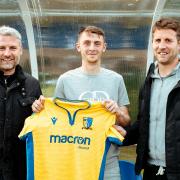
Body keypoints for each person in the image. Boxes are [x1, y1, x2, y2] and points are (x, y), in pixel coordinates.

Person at [32, 25, 130, 179]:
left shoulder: (116, 79)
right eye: (87, 43)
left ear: (104, 47)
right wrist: (39, 109)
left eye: (97, 43)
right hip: (76, 162)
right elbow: (58, 122)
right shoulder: (65, 80)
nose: (92, 48)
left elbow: (126, 121)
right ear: (78, 47)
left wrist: (117, 111)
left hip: (108, 162)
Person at [123, 18, 180, 180]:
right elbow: (143, 123)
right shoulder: (149, 80)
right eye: (158, 40)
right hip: (150, 169)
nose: (162, 46)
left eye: (168, 40)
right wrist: (122, 135)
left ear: (179, 44)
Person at [0, 26, 42, 180]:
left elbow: (40, 127)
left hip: (21, 170)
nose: (7, 53)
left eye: (12, 48)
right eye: (2, 48)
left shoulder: (32, 85)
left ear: (20, 50)